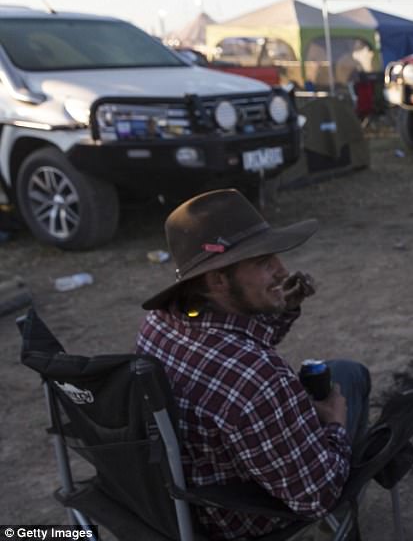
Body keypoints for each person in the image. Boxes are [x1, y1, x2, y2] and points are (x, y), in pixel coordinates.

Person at [137, 189, 370, 540]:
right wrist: (335, 423)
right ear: (217, 279)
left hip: (188, 490)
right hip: (243, 514)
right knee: (350, 379)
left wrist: (284, 305)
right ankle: (343, 523)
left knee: (343, 371)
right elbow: (316, 494)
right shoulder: (257, 378)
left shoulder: (162, 321)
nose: (282, 269)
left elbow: (233, 344)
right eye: (263, 262)